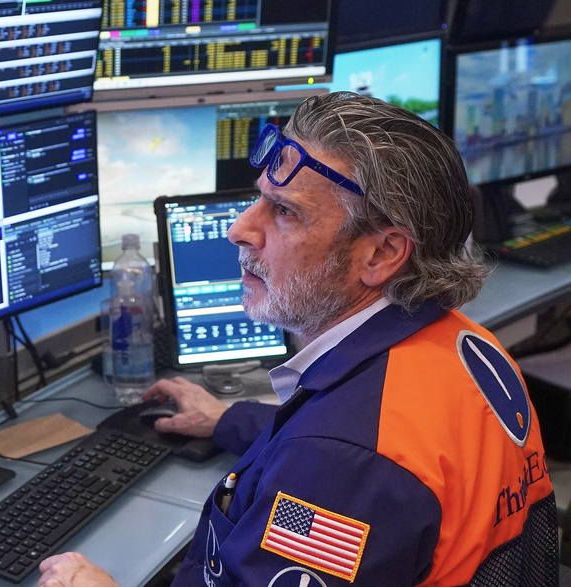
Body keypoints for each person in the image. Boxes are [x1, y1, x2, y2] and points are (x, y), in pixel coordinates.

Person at [38, 92, 559, 587]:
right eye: (257, 199)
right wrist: (229, 419)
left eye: (284, 212)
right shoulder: (462, 345)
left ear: (380, 254)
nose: (240, 228)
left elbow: (346, 460)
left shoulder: (338, 460)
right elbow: (365, 449)